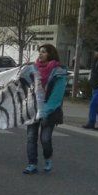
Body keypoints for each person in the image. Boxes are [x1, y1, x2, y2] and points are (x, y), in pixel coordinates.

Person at [21, 44, 67, 174]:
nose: (40, 54)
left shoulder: (58, 72)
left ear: (50, 54)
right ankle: (32, 164)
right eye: (39, 52)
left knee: (45, 139)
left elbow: (57, 96)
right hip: (33, 108)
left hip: (49, 111)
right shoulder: (33, 69)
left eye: (44, 52)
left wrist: (45, 110)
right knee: (31, 137)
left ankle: (48, 158)